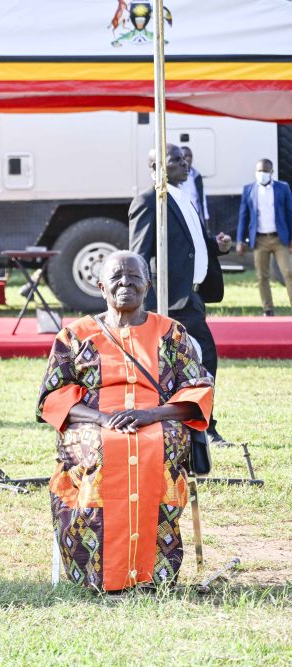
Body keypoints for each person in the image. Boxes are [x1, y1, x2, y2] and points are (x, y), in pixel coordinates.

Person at [38, 250, 213, 592]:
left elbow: (198, 388)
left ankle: (153, 573)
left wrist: (151, 414)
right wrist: (103, 419)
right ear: (101, 286)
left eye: (134, 277)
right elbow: (52, 396)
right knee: (107, 449)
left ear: (147, 285)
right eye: (116, 277)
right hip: (92, 423)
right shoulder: (75, 335)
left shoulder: (171, 333)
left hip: (158, 420)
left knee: (153, 448)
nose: (125, 283)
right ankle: (100, 572)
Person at [129, 143, 231, 445]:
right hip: (168, 301)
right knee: (202, 358)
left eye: (185, 159)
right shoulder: (149, 200)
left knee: (199, 361)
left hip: (193, 297)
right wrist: (142, 305)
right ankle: (204, 427)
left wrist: (216, 245)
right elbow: (138, 255)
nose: (184, 164)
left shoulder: (185, 197)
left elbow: (191, 243)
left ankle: (199, 424)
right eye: (175, 160)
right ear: (155, 168)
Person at [236, 158, 292, 316]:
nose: (262, 174)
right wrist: (240, 240)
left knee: (288, 273)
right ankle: (268, 310)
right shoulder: (249, 190)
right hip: (260, 240)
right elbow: (243, 216)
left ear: (272, 172)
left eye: (265, 171)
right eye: (259, 171)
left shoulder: (283, 188)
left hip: (280, 239)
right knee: (262, 276)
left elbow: (290, 213)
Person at [179, 146, 210, 227]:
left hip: (196, 217)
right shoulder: (176, 177)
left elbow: (202, 198)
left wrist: (205, 217)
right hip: (182, 217)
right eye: (185, 156)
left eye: (190, 156)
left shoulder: (196, 176)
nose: (188, 158)